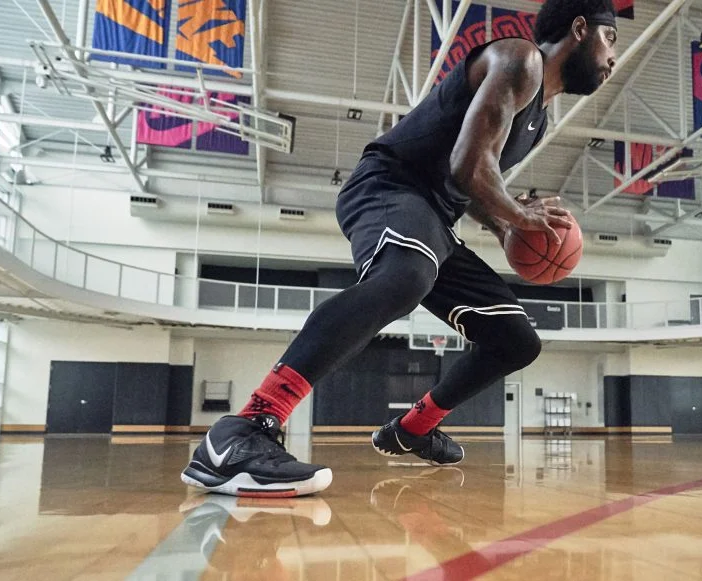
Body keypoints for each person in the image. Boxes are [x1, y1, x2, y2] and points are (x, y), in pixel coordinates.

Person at [181, 0, 618, 497]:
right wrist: (518, 215)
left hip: (435, 218)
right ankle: (245, 429)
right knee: (407, 275)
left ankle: (412, 429)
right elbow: (466, 165)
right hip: (389, 185)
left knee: (516, 341)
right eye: (610, 39)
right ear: (579, 29)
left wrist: (502, 227)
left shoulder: (538, 120)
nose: (613, 58)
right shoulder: (521, 60)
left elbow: (471, 182)